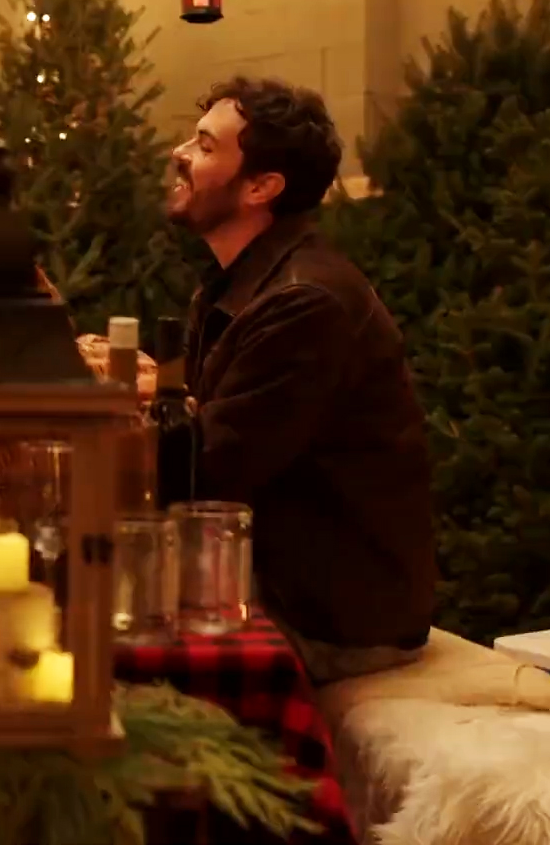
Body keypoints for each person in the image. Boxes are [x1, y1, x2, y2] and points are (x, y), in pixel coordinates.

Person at [167, 76, 436, 685]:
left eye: (205, 146)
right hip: (276, 585)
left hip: (328, 618)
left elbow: (207, 471)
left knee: (95, 641)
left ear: (261, 187)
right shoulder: (233, 285)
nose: (179, 153)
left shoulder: (304, 301)